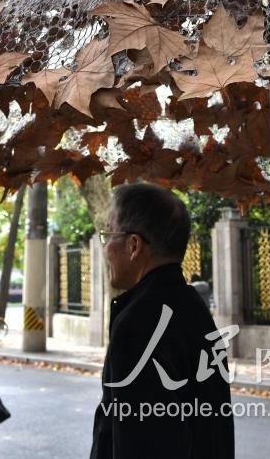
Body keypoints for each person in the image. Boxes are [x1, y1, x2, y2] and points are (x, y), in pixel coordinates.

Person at [90, 183, 234, 459]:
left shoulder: (139, 322)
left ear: (134, 245)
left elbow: (141, 441)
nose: (106, 247)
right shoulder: (194, 310)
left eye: (109, 234)